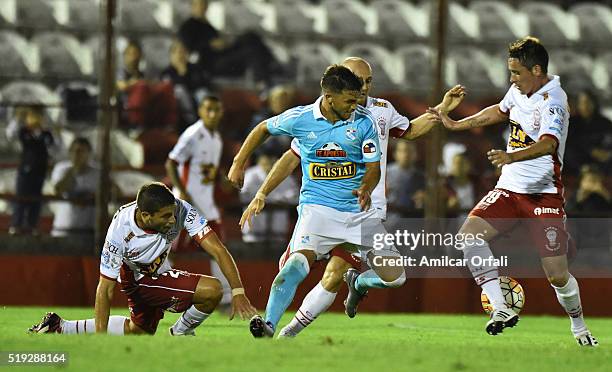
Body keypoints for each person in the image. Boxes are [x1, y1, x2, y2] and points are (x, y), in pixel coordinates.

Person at [238, 57, 464, 338]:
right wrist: (260, 191)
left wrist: (440, 110)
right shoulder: (310, 119)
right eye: (358, 82)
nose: (363, 88)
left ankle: (355, 285)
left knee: (385, 278)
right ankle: (279, 329)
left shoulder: (379, 113)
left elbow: (410, 132)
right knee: (312, 269)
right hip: (321, 208)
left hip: (367, 210)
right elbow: (290, 156)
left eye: (368, 82)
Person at [428, 36, 598, 346]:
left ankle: (580, 329)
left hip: (543, 195)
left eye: (516, 73)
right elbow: (498, 110)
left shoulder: (554, 101)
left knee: (557, 275)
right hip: (508, 188)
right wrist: (454, 124)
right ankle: (501, 308)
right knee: (468, 237)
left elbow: (549, 144)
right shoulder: (520, 89)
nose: (511, 79)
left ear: (536, 69)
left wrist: (510, 156)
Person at [28, 182, 256, 336]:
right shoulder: (119, 230)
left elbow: (218, 249)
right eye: (166, 216)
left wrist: (237, 291)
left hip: (157, 269)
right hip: (138, 277)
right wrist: (99, 341)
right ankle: (181, 333)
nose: (172, 220)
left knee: (139, 330)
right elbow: (105, 288)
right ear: (145, 216)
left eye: (173, 213)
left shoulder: (181, 209)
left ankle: (61, 326)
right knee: (212, 290)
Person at [165, 95, 232, 307]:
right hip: (187, 205)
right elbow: (171, 163)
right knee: (169, 250)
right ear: (200, 112)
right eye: (208, 109)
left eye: (216, 110)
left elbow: (208, 168)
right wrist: (182, 192)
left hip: (207, 205)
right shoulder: (193, 134)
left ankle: (226, 299)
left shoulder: (216, 138)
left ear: (222, 113)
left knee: (218, 248)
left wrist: (222, 179)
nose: (212, 114)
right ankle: (162, 292)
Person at [177, 0, 284, 86]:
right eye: (199, 4)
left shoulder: (207, 26)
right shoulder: (187, 27)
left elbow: (218, 43)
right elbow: (188, 51)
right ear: (192, 6)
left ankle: (270, 65)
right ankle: (262, 81)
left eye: (204, 4)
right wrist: (209, 45)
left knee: (250, 36)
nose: (202, 8)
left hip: (222, 56)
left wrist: (223, 44)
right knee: (250, 51)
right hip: (211, 64)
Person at [6, 105, 55, 235]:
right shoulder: (24, 132)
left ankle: (32, 225)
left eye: (38, 116)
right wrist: (18, 118)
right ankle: (16, 224)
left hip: (40, 171)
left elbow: (56, 148)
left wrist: (52, 128)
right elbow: (10, 134)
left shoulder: (47, 134)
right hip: (25, 170)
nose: (35, 119)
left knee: (35, 199)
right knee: (21, 197)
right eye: (32, 116)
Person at [50, 137, 107, 239]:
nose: (77, 155)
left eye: (81, 151)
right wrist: (74, 170)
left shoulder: (97, 173)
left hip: (88, 231)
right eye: (74, 151)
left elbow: (115, 192)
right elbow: (58, 190)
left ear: (89, 153)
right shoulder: (61, 169)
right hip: (63, 229)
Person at [240, 151, 298, 243]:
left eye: (272, 158)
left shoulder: (285, 175)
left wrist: (265, 198)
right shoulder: (251, 174)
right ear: (260, 159)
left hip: (278, 232)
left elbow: (295, 197)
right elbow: (244, 195)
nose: (269, 161)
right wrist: (278, 198)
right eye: (266, 158)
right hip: (254, 232)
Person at [160, 39, 213, 133]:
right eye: (177, 52)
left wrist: (185, 73)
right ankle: (192, 123)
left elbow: (203, 84)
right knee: (180, 91)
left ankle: (208, 122)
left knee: (202, 93)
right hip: (178, 108)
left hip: (196, 102)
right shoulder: (167, 73)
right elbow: (169, 89)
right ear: (171, 55)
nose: (180, 55)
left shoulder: (195, 68)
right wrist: (181, 74)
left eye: (183, 52)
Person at [564, 90, 612, 176]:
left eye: (588, 102)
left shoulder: (605, 123)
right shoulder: (571, 123)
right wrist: (590, 150)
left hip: (602, 161)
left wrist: (607, 153)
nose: (585, 106)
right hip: (579, 162)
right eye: (582, 103)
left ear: (594, 104)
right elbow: (570, 144)